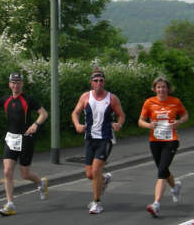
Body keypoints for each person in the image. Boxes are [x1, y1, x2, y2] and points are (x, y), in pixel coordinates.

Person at [0, 72, 49, 216]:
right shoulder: (6, 99)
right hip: (11, 139)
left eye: (18, 82)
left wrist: (35, 125)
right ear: (9, 84)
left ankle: (41, 183)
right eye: (13, 82)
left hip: (26, 139)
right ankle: (10, 204)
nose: (15, 85)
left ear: (22, 84)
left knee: (25, 174)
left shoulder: (28, 100)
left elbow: (44, 114)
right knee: (7, 171)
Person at [71, 68, 125, 214]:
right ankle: (104, 179)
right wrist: (77, 125)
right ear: (91, 83)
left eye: (101, 80)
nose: (99, 83)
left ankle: (97, 203)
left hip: (105, 139)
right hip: (89, 139)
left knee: (95, 170)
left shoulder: (112, 98)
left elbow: (121, 115)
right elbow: (75, 113)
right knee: (89, 174)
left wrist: (118, 124)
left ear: (104, 82)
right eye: (96, 80)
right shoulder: (85, 97)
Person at [138, 76, 188, 218]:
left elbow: (185, 116)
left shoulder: (175, 102)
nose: (161, 89)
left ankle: (156, 204)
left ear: (168, 88)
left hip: (171, 140)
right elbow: (140, 121)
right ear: (155, 89)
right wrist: (149, 125)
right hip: (155, 141)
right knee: (163, 169)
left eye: (164, 87)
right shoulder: (149, 102)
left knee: (161, 171)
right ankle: (175, 186)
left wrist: (179, 122)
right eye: (158, 87)